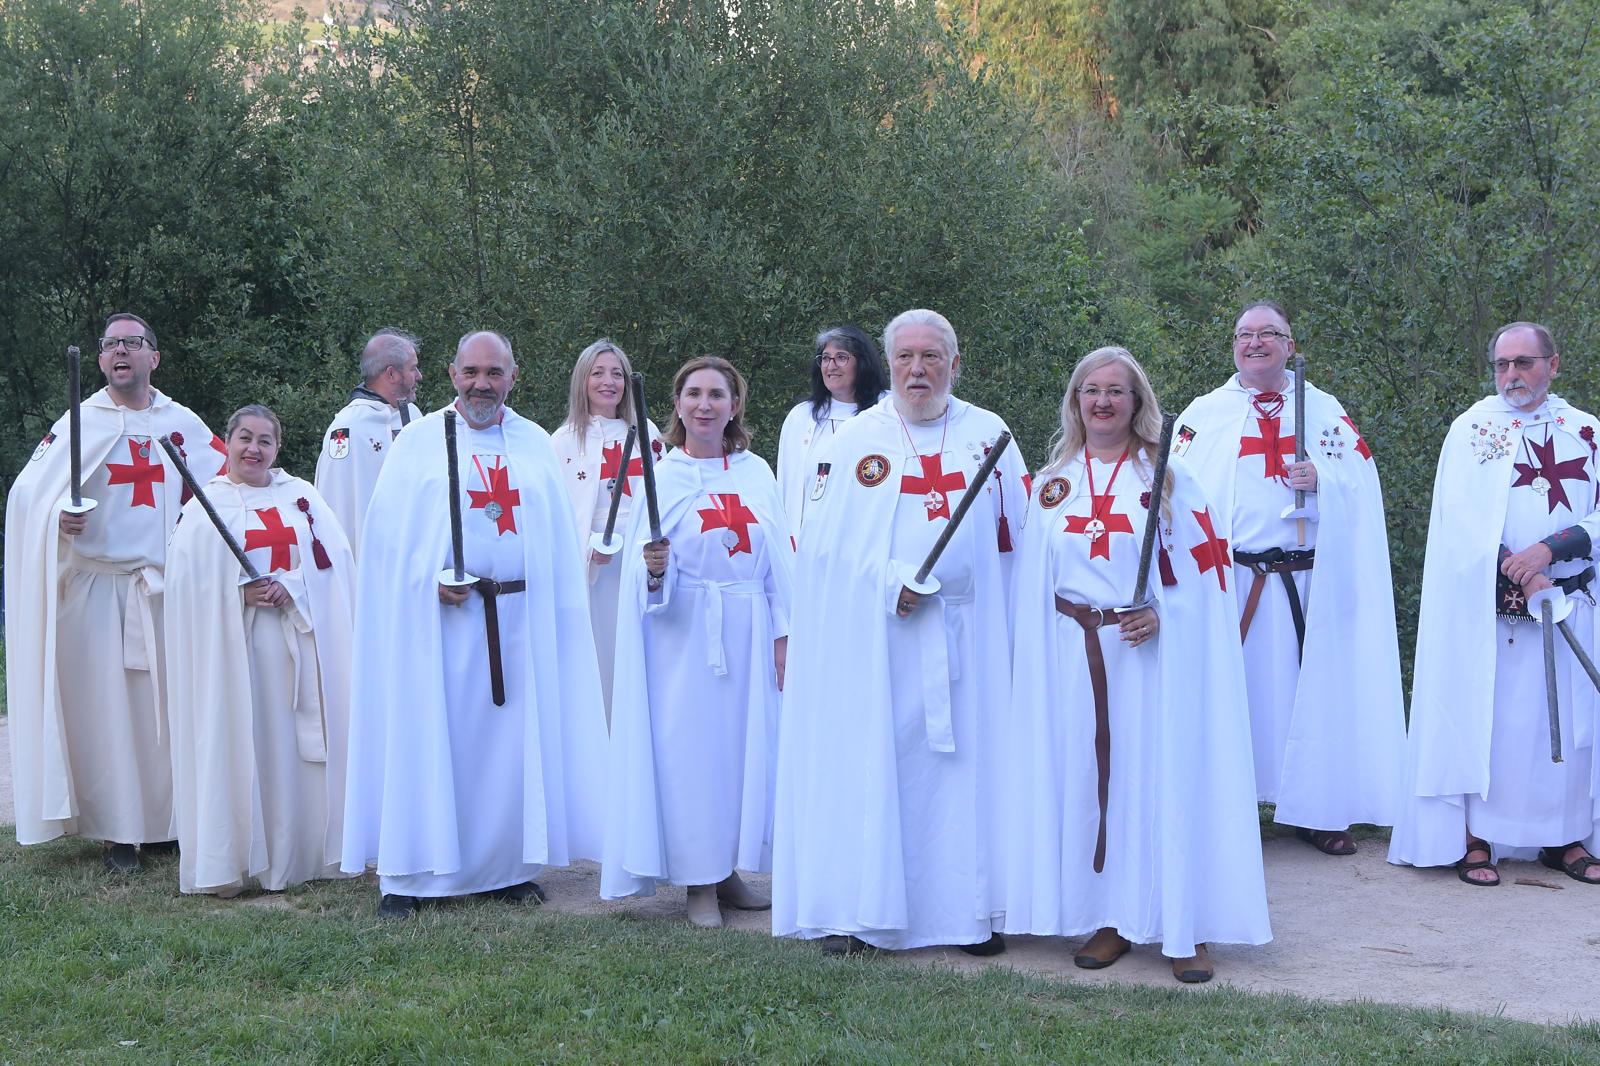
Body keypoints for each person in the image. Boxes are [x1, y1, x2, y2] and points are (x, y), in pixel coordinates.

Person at [1000, 347, 1269, 983]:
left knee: (1162, 778)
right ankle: (1111, 919)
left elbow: (1209, 575)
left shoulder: (1171, 476)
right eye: (1090, 391)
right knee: (1097, 786)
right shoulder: (1053, 484)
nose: (1102, 402)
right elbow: (1033, 586)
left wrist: (1164, 616)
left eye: (1115, 391)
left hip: (1150, 659)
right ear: (1074, 402)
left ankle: (1184, 926)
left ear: (1137, 402)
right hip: (1076, 655)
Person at [772, 308, 1030, 956]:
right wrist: (890, 581)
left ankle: (969, 913)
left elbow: (1023, 535)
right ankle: (864, 912)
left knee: (966, 774)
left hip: (968, 638)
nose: (919, 369)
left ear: (955, 362)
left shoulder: (989, 435)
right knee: (876, 772)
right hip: (879, 644)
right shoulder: (854, 443)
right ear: (888, 366)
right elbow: (823, 552)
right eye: (907, 357)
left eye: (932, 357)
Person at [340, 330, 609, 918]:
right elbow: (385, 548)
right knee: (429, 740)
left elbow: (557, 544)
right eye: (471, 372)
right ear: (451, 372)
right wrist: (425, 582)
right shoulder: (417, 442)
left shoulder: (535, 444)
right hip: (437, 627)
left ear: (514, 375)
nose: (481, 383)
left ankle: (501, 870)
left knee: (508, 749)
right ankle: (410, 875)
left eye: (494, 372)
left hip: (517, 622)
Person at [1173, 300, 1404, 854]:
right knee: (1232, 695)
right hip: (1231, 583)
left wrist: (1325, 478)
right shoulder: (1203, 415)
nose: (1255, 343)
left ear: (1290, 345)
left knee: (1315, 695)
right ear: (1233, 345)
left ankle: (1319, 811)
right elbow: (1174, 493)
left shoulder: (1323, 411)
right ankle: (1225, 813)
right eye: (1244, 334)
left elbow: (1364, 483)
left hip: (1308, 584)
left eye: (1268, 334)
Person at [5, 312, 225, 871]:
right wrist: (59, 516)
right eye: (111, 345)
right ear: (101, 360)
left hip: (164, 593)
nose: (120, 352)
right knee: (109, 716)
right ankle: (119, 831)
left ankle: (171, 822)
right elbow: (27, 495)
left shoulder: (182, 423)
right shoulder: (80, 422)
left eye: (133, 343)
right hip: (98, 593)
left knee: (169, 714)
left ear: (155, 356)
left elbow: (224, 487)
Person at [1390, 322, 1600, 886]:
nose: (1512, 375)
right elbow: (1459, 520)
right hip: (1493, 614)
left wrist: (1550, 552)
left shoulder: (1587, 431)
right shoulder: (1473, 429)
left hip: (1572, 603)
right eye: (1502, 364)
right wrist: (1522, 572)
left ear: (1553, 365)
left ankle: (1563, 838)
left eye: (1525, 362)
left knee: (1562, 726)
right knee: (1494, 722)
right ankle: (1476, 836)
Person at [602, 357, 793, 927]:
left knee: (740, 754)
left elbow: (778, 565)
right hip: (682, 638)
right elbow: (643, 584)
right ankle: (697, 882)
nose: (705, 405)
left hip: (748, 630)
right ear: (679, 404)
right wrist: (653, 568)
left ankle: (728, 870)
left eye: (717, 394)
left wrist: (785, 635)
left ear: (735, 405)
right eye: (694, 394)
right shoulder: (663, 476)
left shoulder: (757, 472)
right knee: (691, 757)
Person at [165, 405, 356, 896]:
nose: (254, 448)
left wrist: (291, 586)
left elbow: (336, 567)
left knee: (292, 746)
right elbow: (186, 589)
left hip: (296, 642)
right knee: (243, 742)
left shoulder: (301, 497)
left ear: (278, 447)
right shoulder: (203, 507)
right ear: (227, 442)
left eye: (265, 440)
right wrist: (235, 592)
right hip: (235, 650)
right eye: (244, 437)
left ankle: (306, 854)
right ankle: (241, 859)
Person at [550, 338, 663, 725]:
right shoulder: (564, 442)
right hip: (595, 572)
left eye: (617, 373)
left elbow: (660, 497)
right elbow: (560, 514)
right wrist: (586, 551)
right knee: (600, 661)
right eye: (598, 373)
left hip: (639, 561)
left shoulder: (645, 432)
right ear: (583, 380)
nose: (608, 381)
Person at [313, 328, 423, 562]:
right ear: (391, 374)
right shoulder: (348, 429)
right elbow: (337, 506)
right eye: (413, 368)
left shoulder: (413, 416)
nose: (419, 375)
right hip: (368, 562)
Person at [775, 325, 889, 529]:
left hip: (869, 533)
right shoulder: (801, 417)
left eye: (841, 357)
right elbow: (787, 489)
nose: (831, 365)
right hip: (813, 539)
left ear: (862, 363)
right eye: (825, 358)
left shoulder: (889, 411)